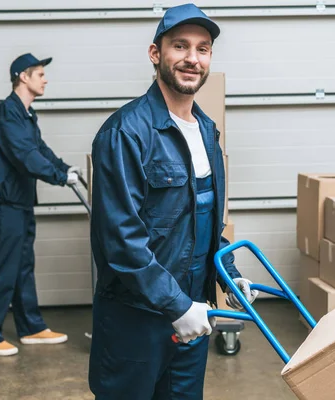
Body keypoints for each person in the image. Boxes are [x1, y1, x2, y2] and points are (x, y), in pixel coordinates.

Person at [88, 4, 258, 398]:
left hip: (192, 317)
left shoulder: (206, 130)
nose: (191, 59)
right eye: (179, 46)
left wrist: (227, 274)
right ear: (155, 54)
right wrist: (175, 305)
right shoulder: (125, 133)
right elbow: (121, 241)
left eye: (202, 49)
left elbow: (206, 221)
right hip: (137, 321)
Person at [0, 53, 81, 356]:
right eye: (39, 74)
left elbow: (40, 150)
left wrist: (64, 167)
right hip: (6, 203)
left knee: (23, 267)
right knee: (2, 269)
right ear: (23, 77)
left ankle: (31, 327)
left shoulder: (26, 114)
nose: (45, 79)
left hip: (21, 202)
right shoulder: (8, 113)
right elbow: (25, 155)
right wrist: (60, 176)